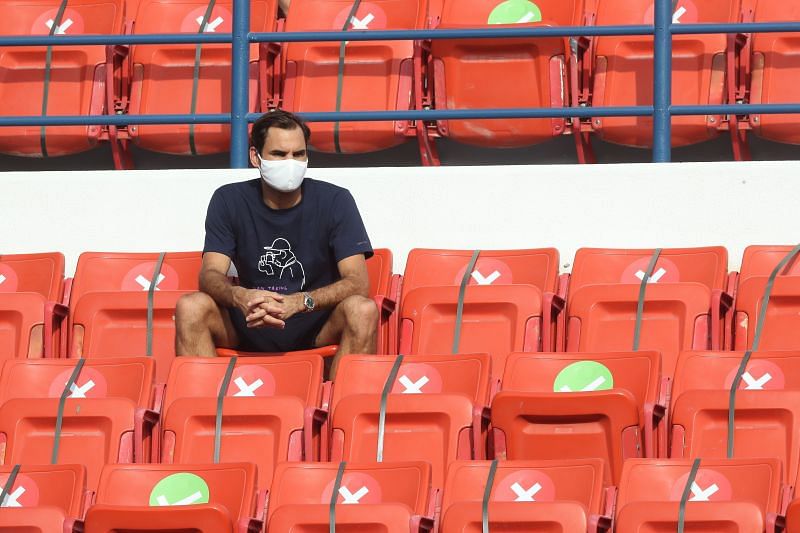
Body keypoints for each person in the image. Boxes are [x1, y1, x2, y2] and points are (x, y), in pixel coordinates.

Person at [175, 109, 377, 377]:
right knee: (190, 307)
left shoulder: (336, 200)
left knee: (363, 310)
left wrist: (299, 302)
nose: (290, 163)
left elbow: (358, 282)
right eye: (279, 155)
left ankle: (341, 414)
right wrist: (241, 296)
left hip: (314, 322)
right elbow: (210, 274)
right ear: (255, 157)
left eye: (299, 154)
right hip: (250, 320)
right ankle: (206, 413)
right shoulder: (228, 200)